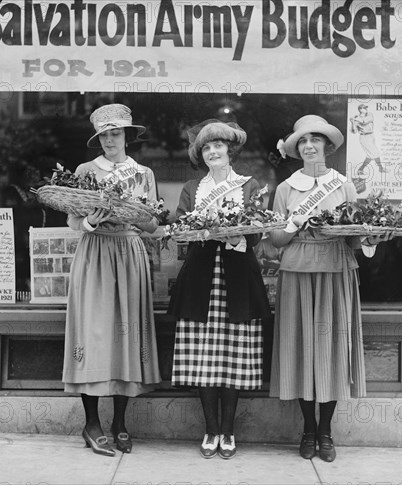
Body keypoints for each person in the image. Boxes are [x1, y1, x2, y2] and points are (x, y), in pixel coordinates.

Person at [270, 115, 390, 462]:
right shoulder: (285, 188)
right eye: (303, 141)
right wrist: (292, 225)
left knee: (332, 350)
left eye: (316, 140)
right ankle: (307, 430)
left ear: (326, 146)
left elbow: (353, 239)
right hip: (298, 274)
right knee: (302, 350)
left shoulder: (343, 185)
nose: (309, 146)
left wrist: (371, 235)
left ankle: (326, 432)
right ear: (298, 148)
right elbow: (276, 240)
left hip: (335, 272)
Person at [62, 104, 161, 457]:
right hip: (95, 254)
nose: (109, 140)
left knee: (126, 333)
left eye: (115, 133)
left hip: (129, 253)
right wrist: (89, 220)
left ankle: (120, 422)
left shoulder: (144, 174)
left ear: (127, 136)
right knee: (93, 332)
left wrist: (142, 215)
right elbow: (73, 221)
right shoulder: (86, 170)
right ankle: (91, 423)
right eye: (103, 135)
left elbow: (152, 223)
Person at [168, 120, 271, 460]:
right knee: (203, 358)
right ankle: (210, 429)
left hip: (238, 279)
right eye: (207, 147)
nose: (214, 151)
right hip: (200, 279)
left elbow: (257, 232)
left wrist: (236, 236)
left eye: (219, 146)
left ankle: (228, 431)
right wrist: (201, 232)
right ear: (201, 154)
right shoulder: (191, 187)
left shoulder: (249, 185)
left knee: (232, 357)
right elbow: (180, 229)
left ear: (230, 150)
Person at [350, 104, 385, 174]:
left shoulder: (370, 115)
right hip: (364, 137)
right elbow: (354, 131)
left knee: (370, 155)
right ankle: (380, 168)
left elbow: (364, 121)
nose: (366, 109)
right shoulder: (356, 119)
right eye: (364, 108)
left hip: (371, 136)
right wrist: (353, 123)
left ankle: (360, 170)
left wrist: (355, 119)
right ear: (360, 110)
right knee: (375, 153)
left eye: (366, 108)